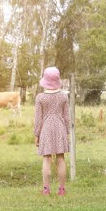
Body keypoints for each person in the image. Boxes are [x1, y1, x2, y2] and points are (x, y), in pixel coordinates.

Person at [34, 66, 70, 196]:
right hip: (60, 127)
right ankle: (61, 189)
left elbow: (38, 118)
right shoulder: (63, 97)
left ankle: (46, 189)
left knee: (47, 158)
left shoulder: (40, 97)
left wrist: (36, 134)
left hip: (46, 128)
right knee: (61, 158)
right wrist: (66, 132)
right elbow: (67, 116)